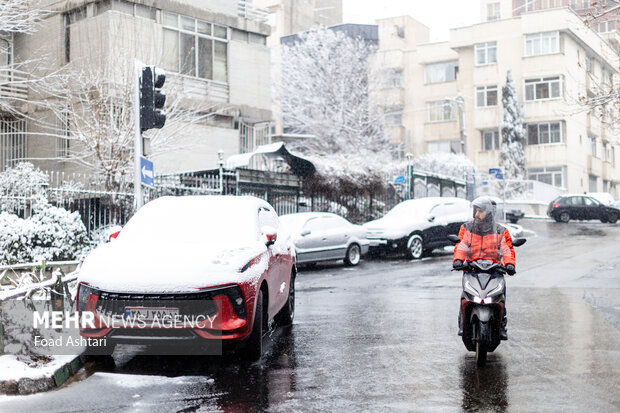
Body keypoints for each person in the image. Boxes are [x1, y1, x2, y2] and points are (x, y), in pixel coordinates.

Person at [452, 196, 516, 340]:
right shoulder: (467, 228)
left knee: (500, 297)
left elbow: (507, 249)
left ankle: (501, 325)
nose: (476, 214)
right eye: (475, 211)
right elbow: (461, 246)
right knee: (465, 296)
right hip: (472, 269)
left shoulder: (500, 231)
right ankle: (463, 323)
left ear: (489, 212)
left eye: (480, 211)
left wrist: (510, 264)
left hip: (494, 271)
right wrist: (458, 260)